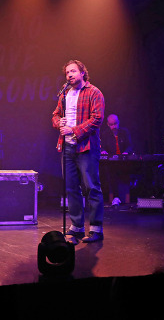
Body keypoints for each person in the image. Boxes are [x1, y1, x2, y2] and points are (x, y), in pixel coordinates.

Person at [52, 59, 105, 243]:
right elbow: (55, 114)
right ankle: (76, 227)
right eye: (67, 73)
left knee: (91, 187)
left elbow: (97, 119)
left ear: (82, 72)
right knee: (71, 187)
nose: (69, 75)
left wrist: (73, 130)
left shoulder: (94, 92)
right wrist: (59, 123)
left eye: (73, 71)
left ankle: (96, 229)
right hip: (67, 146)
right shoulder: (65, 93)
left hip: (86, 147)